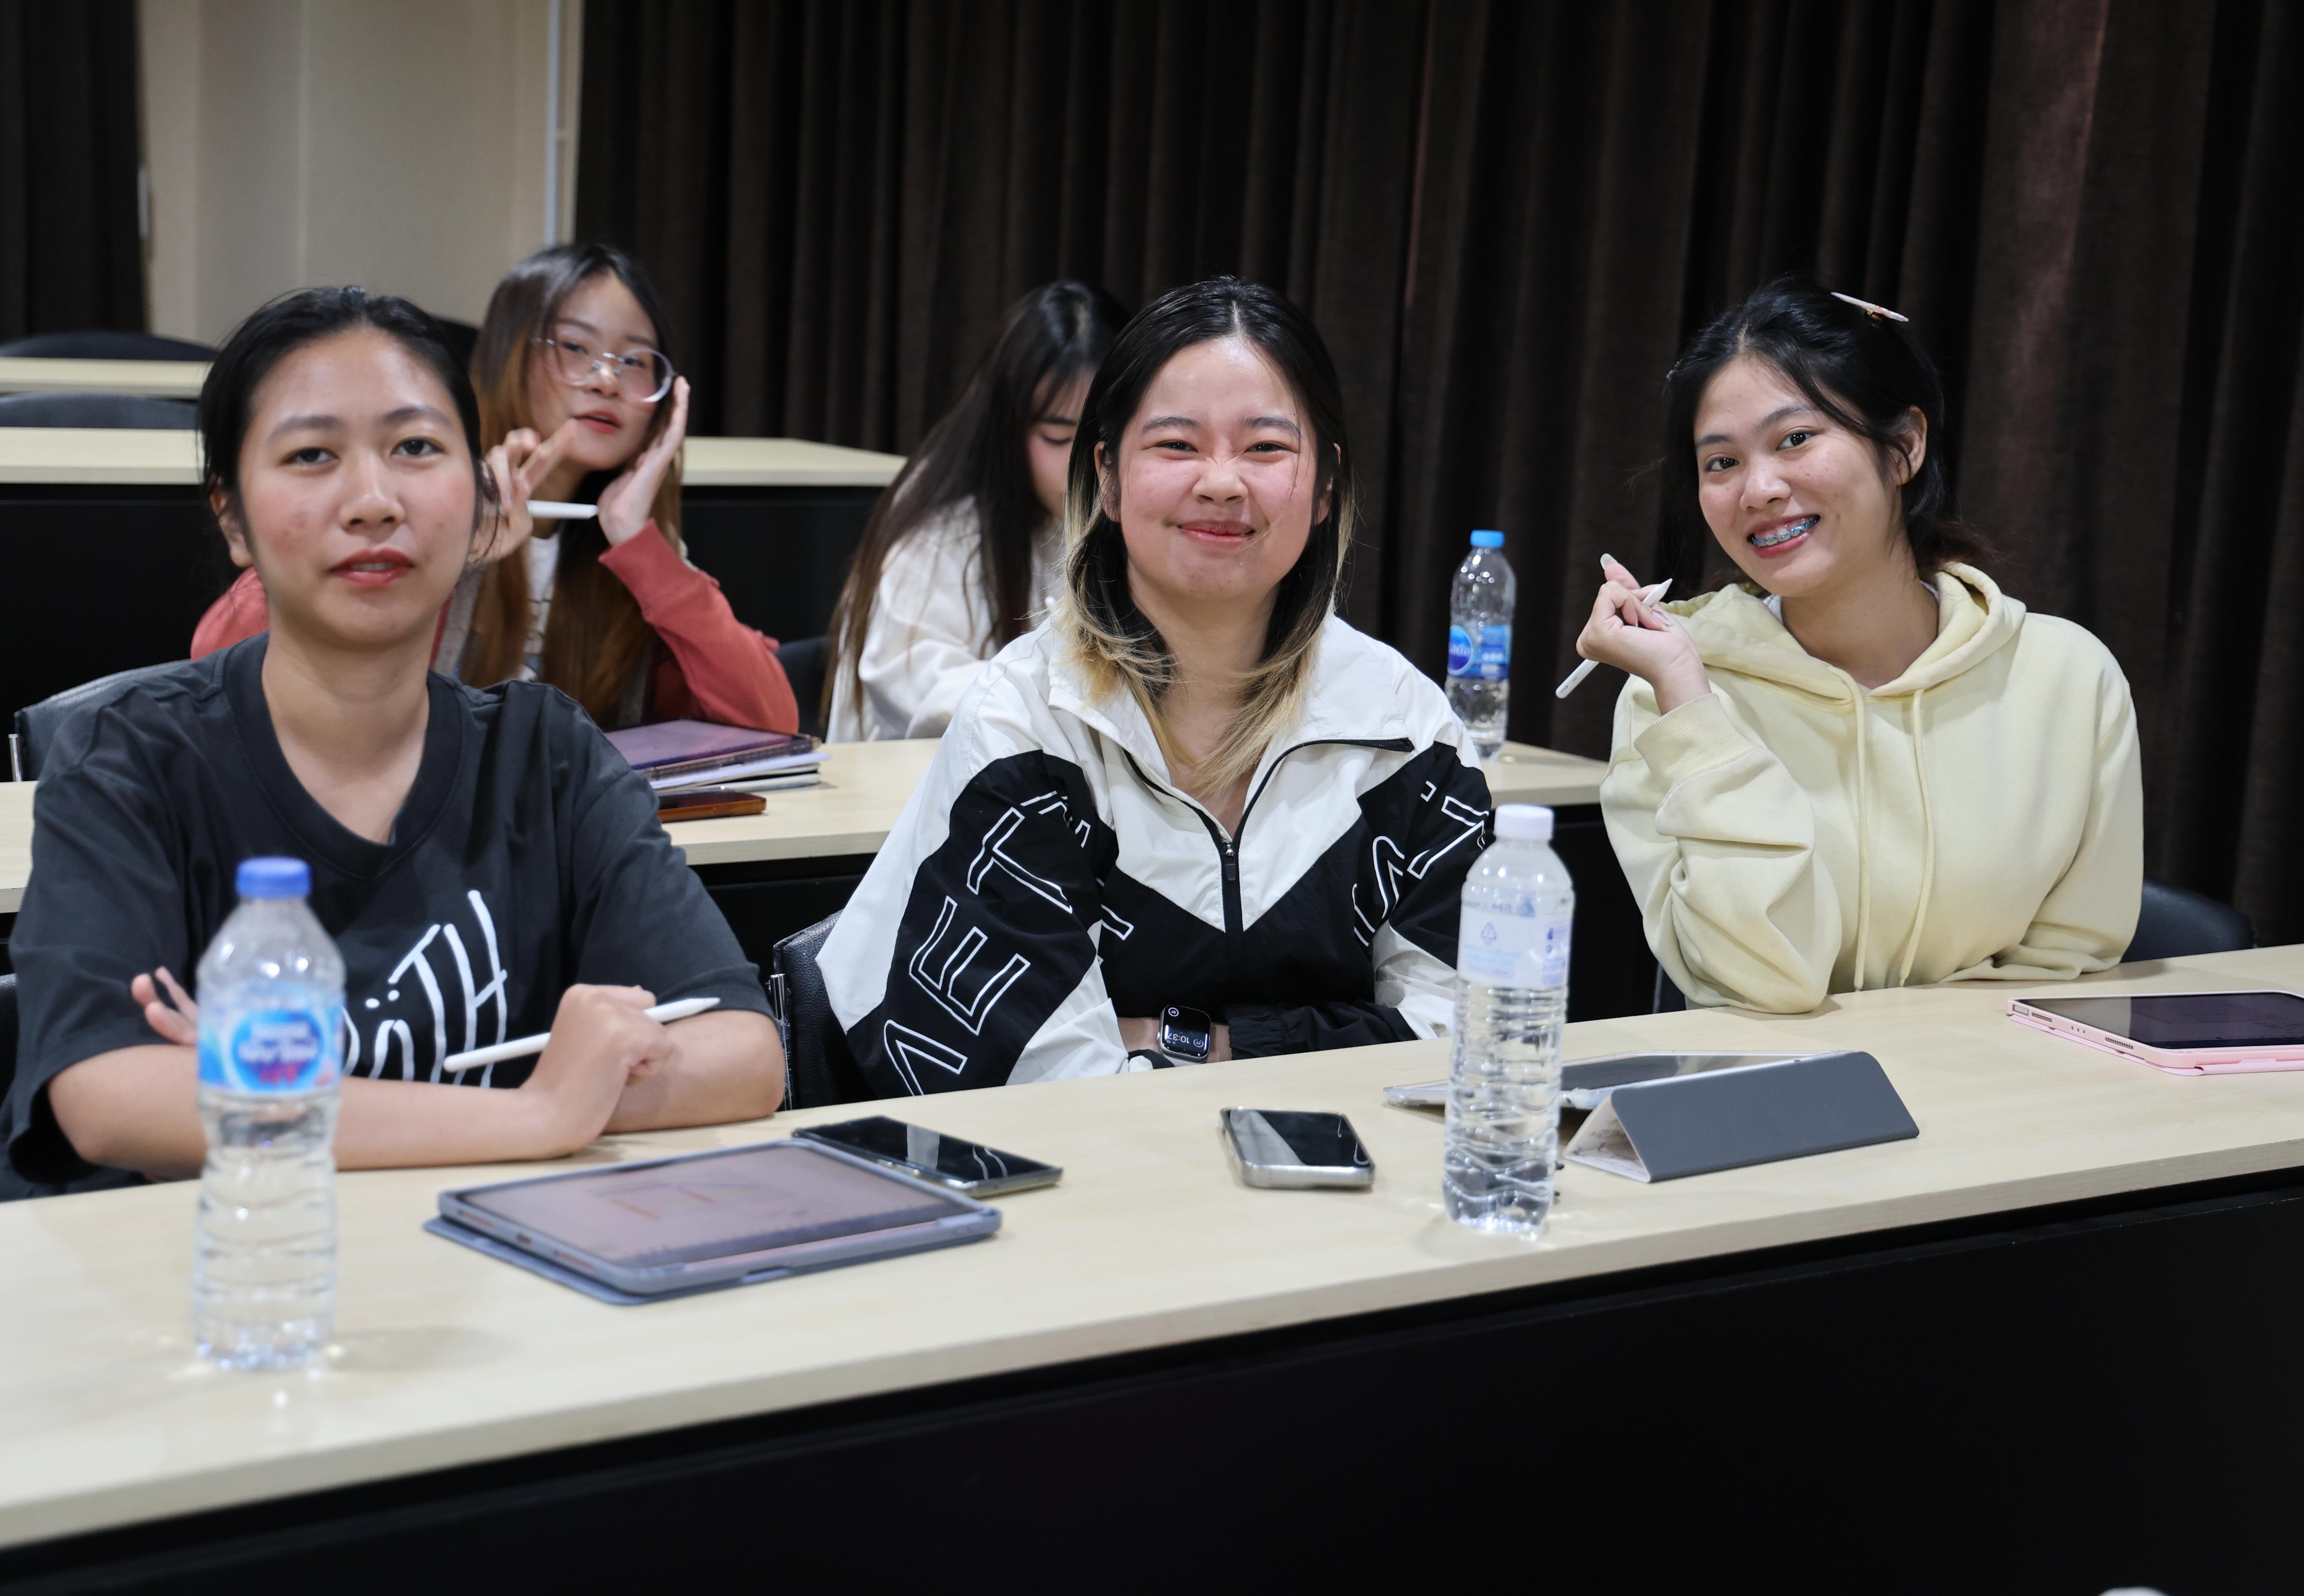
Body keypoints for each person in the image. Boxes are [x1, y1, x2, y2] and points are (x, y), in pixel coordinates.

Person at [0, 287, 784, 1199]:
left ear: (481, 498)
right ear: (233, 518)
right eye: (311, 455)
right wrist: (537, 1110)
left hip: (466, 1260)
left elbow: (742, 1054)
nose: (373, 501)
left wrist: (253, 1098)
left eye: (416, 448)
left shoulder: (547, 754)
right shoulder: (128, 756)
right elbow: (111, 1097)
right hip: (199, 1260)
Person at [817, 277, 1493, 1092]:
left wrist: (1198, 1042)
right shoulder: (1027, 723)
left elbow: (1466, 1046)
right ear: (1106, 475)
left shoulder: (1408, 730)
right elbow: (1049, 1080)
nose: (1221, 481)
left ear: (1324, 488)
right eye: (1176, 445)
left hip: (1351, 1169)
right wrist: (1326, 1040)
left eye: (1266, 449)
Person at [1574, 275, 2140, 1015]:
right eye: (1722, 463)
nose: (1759, 488)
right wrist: (1692, 704)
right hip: (1772, 1081)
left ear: (1904, 446)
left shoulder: (2069, 676)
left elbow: (2074, 963)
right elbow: (1756, 984)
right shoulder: (1669, 699)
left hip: (2002, 1080)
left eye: (1796, 439)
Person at [193, 244, 798, 734]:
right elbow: (221, 670)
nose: (606, 380)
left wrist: (645, 549)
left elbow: (769, 719)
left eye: (636, 361)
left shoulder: (638, 552)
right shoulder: (420, 505)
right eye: (576, 348)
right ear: (509, 353)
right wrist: (456, 548)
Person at [824, 280, 1128, 741]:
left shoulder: (1119, 515)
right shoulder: (942, 525)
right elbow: (920, 692)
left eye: (1106, 441)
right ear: (1009, 426)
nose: (1084, 465)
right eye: (1059, 438)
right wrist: (1074, 686)